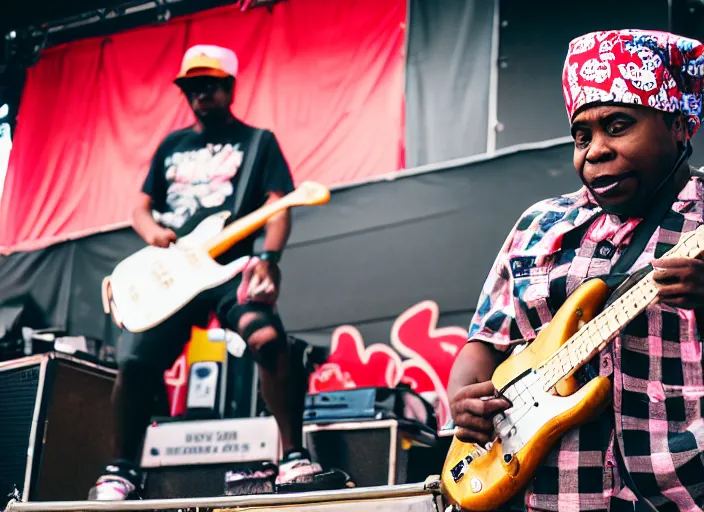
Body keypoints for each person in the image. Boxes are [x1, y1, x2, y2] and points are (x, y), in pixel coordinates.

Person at [448, 30, 704, 512]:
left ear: (678, 126)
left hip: (683, 493)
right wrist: (465, 402)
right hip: (548, 498)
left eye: (619, 124)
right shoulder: (538, 226)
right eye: (582, 136)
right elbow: (483, 345)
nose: (595, 150)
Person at [90, 44, 321, 500]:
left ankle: (293, 456)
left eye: (209, 85)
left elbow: (279, 207)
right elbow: (139, 208)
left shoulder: (259, 143)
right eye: (192, 87)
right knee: (134, 360)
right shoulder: (171, 145)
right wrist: (154, 231)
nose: (200, 95)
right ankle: (121, 470)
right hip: (175, 273)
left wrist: (269, 260)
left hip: (230, 267)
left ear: (229, 87)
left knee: (267, 339)